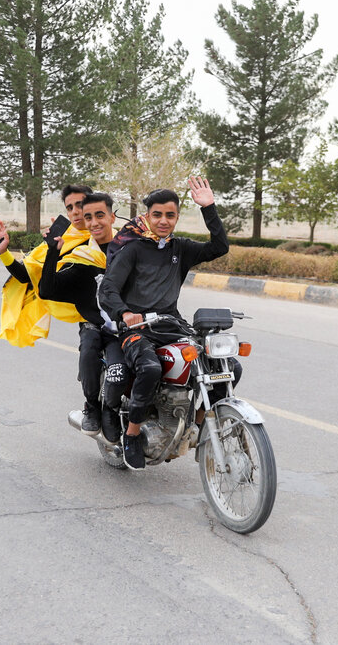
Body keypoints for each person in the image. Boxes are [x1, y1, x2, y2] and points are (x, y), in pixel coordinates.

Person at [98, 177, 230, 470]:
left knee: (227, 367)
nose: (163, 220)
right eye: (157, 214)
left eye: (170, 215)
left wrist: (209, 208)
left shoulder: (180, 248)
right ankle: (132, 434)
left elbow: (219, 247)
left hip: (170, 325)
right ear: (147, 216)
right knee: (149, 368)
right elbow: (108, 290)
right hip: (136, 329)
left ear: (177, 217)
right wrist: (124, 314)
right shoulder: (133, 249)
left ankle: (198, 425)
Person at [37, 192, 129, 441]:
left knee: (123, 368)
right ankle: (92, 406)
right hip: (94, 325)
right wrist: (52, 252)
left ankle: (113, 409)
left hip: (127, 326)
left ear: (112, 217)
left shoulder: (130, 249)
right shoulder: (82, 256)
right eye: (88, 217)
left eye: (99, 215)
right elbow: (47, 290)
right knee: (88, 351)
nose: (94, 222)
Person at [0, 184, 92, 347]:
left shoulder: (112, 238)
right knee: (89, 368)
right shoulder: (63, 240)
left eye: (80, 205)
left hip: (123, 319)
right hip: (91, 322)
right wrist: (3, 253)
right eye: (69, 208)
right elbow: (26, 276)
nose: (75, 212)